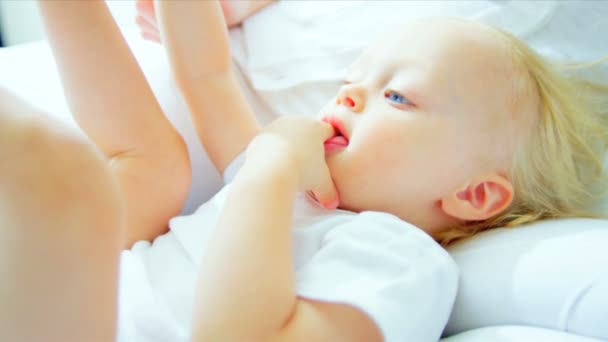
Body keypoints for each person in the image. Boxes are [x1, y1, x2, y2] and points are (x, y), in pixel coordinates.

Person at [1, 1, 606, 341]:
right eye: (351, 82)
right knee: (157, 165)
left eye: (397, 97)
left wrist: (269, 167)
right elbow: (207, 76)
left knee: (62, 177)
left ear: (473, 193)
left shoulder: (403, 265)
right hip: (61, 302)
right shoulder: (293, 185)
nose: (348, 97)